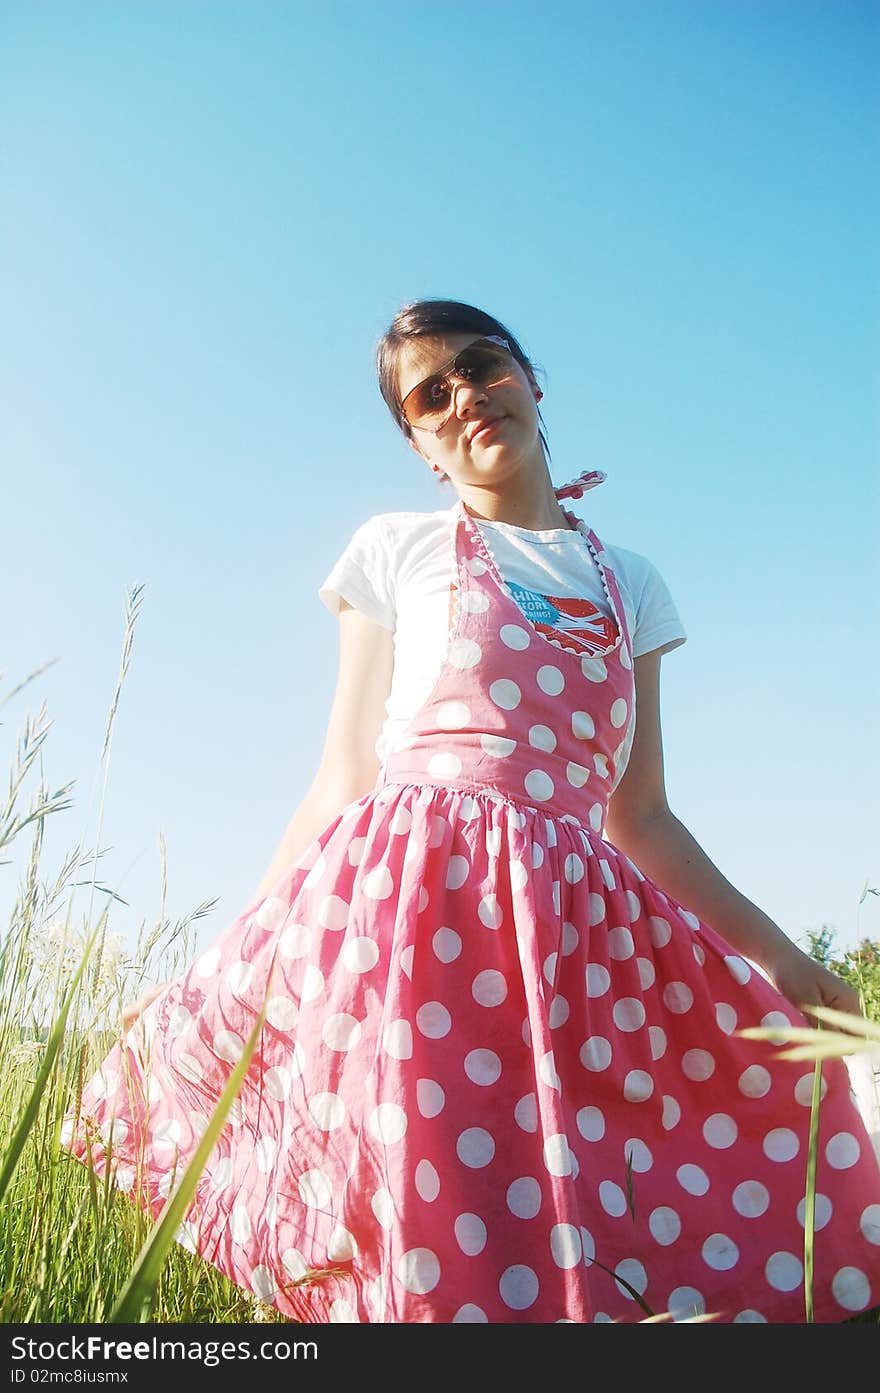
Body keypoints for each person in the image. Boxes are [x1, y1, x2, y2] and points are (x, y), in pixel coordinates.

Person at [66, 299, 880, 1324]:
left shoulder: (629, 582)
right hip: (411, 918)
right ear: (419, 444)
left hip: (576, 937)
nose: (465, 398)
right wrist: (217, 967)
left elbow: (643, 813)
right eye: (430, 396)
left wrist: (779, 956)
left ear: (531, 380)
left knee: (583, 1192)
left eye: (482, 365)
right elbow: (342, 775)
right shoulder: (397, 549)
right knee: (429, 1202)